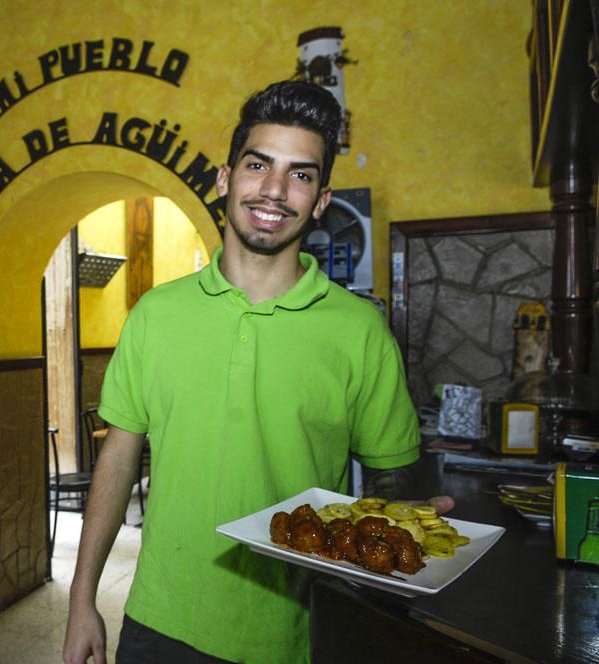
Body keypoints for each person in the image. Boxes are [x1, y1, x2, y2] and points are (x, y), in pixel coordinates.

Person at [63, 80, 444, 664]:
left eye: (300, 174)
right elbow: (117, 460)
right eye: (259, 164)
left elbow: (391, 481)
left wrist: (406, 529)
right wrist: (82, 600)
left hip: (297, 637)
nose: (274, 189)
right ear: (224, 178)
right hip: (159, 623)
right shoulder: (155, 314)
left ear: (320, 200)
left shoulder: (359, 330)